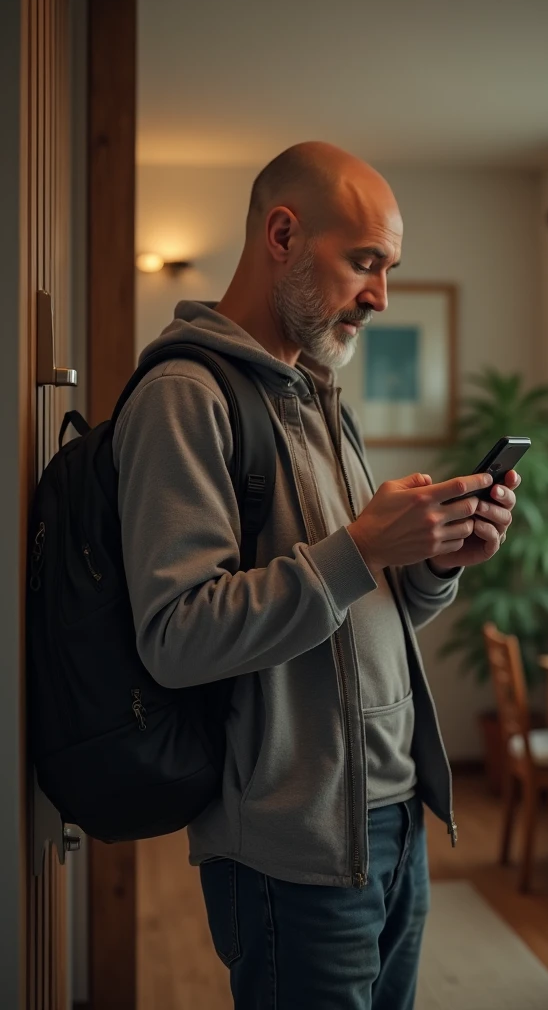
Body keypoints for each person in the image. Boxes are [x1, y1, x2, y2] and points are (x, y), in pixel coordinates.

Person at [113, 141, 520, 1009]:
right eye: (364, 261)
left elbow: (357, 611)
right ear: (284, 234)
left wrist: (436, 564)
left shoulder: (322, 400)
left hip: (393, 818)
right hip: (290, 849)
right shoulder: (185, 396)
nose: (380, 295)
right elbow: (176, 637)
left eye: (389, 268)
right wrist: (364, 548)